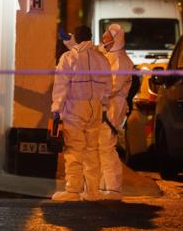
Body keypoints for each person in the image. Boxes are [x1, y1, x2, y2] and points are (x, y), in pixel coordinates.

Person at [51, 25, 112, 202]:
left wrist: (57, 109)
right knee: (92, 150)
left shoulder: (69, 58)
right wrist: (104, 106)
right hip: (96, 108)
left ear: (76, 38)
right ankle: (93, 191)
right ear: (90, 36)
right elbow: (108, 86)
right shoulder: (101, 58)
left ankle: (73, 190)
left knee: (74, 149)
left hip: (75, 107)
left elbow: (61, 86)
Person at [98, 23, 134, 200]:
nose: (103, 40)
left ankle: (113, 188)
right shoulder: (109, 55)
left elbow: (113, 86)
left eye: (107, 38)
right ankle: (104, 186)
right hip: (106, 106)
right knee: (101, 145)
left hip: (113, 108)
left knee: (106, 145)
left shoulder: (119, 60)